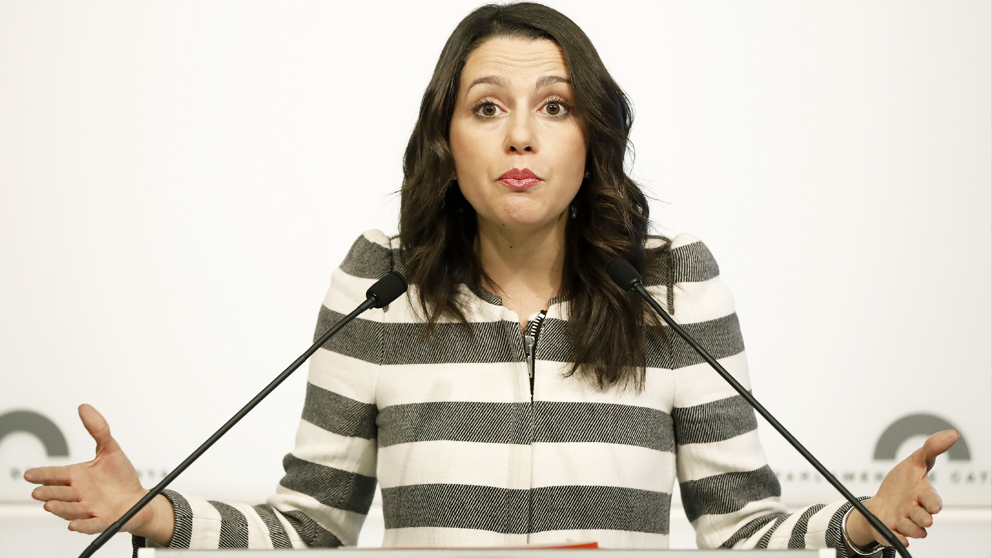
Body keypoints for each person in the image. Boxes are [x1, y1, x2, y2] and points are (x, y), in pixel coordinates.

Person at [25, 3, 958, 556]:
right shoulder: (380, 279)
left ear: (591, 138)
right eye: (487, 107)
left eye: (554, 107)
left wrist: (858, 526)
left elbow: (740, 526)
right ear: (449, 139)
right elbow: (311, 526)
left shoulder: (672, 282)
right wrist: (160, 515)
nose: (521, 135)